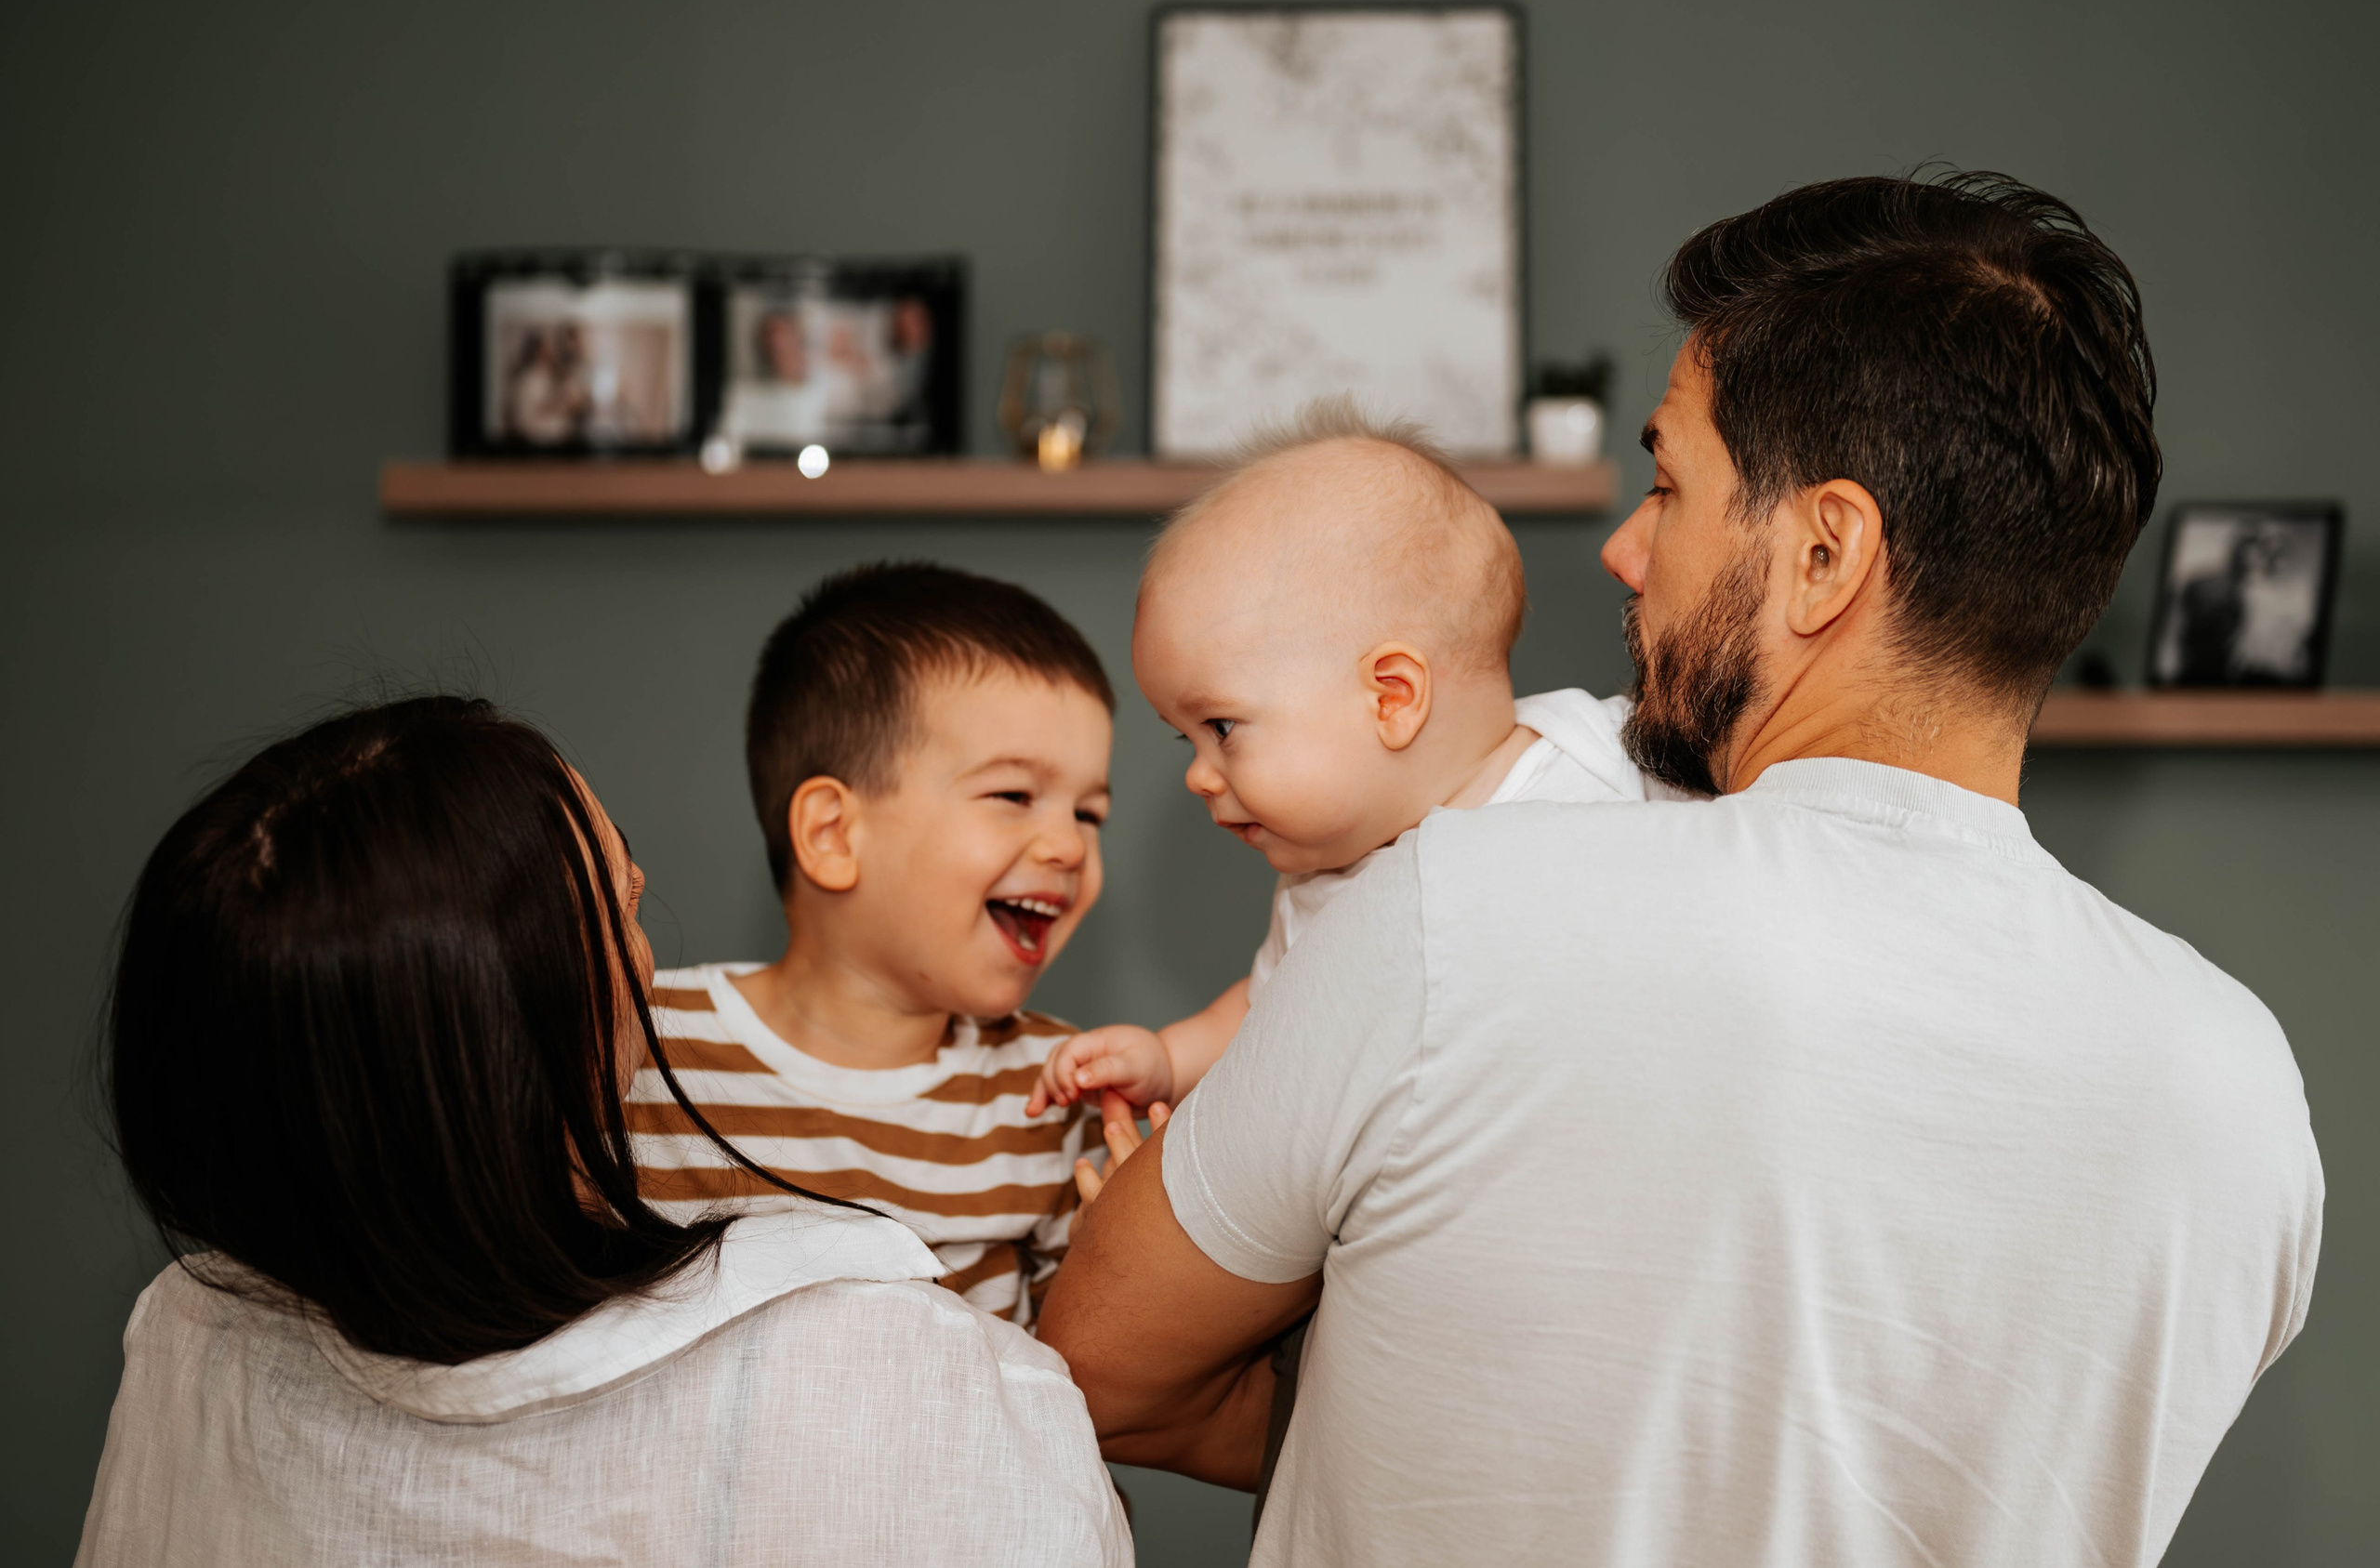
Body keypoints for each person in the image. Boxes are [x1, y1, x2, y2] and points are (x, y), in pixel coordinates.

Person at [1039, 171, 2323, 1568]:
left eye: (1669, 482)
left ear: (1824, 553)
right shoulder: (2239, 1090)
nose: (1624, 547)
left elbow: (1099, 1358)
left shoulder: (1456, 908)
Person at [78, 696, 1129, 1566]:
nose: (644, 919)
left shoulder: (187, 1338)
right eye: (619, 903)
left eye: (1090, 810)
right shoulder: (883, 1373)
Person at [1026, 397, 1683, 1152]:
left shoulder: (1611, 756)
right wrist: (1170, 1057)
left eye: (1222, 728)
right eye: (1188, 741)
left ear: (1392, 697)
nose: (1200, 777)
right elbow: (1268, 1012)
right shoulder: (1322, 893)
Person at [628, 564, 1122, 1325]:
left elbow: (1075, 1376)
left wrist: (1114, 1262)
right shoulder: (640, 1047)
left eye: (1090, 813)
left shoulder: (1054, 1091)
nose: (1067, 845)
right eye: (1014, 795)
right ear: (833, 834)